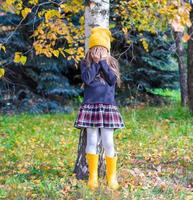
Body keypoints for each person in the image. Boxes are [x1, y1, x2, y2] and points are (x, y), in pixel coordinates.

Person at [74, 26, 125, 190]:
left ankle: (112, 177)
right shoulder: (85, 63)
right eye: (95, 49)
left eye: (101, 50)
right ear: (90, 50)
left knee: (108, 142)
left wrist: (102, 62)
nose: (98, 52)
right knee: (92, 140)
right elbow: (87, 80)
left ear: (107, 51)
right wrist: (95, 63)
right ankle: (93, 177)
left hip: (108, 108)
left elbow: (111, 80)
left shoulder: (111, 63)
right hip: (91, 107)